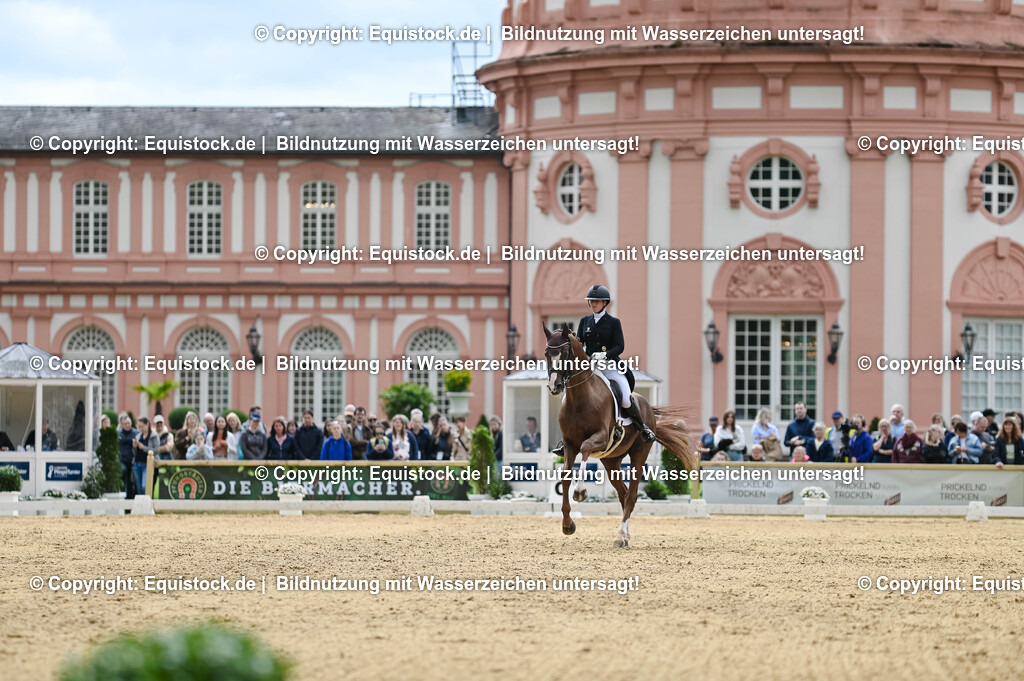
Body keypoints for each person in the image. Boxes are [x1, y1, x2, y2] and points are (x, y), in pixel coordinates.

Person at [576, 284, 655, 442]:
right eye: (591, 301)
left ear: (605, 302)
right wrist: (584, 353)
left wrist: (605, 354)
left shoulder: (613, 322)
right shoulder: (584, 321)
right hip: (591, 368)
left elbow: (620, 346)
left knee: (625, 397)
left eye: (597, 301)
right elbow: (580, 342)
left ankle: (642, 428)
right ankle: (568, 438)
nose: (593, 304)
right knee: (570, 396)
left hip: (610, 367)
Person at [133, 417, 159, 495]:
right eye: (139, 426)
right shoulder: (138, 436)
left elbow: (157, 450)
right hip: (137, 463)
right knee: (139, 488)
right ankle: (141, 506)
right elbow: (134, 452)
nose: (141, 429)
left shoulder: (153, 435)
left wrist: (144, 448)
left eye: (142, 426)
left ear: (147, 424)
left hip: (147, 464)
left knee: (145, 486)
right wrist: (134, 447)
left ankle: (147, 504)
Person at [117, 413, 138, 498]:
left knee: (131, 483)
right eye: (125, 424)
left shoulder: (136, 433)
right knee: (123, 472)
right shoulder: (118, 433)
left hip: (132, 461)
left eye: (129, 423)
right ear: (121, 424)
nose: (128, 425)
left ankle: (130, 502)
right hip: (122, 460)